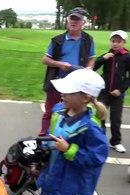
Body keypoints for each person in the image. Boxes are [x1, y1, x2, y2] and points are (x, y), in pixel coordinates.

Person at [36, 69, 109, 195]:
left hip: (70, 186)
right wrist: (42, 154)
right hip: (52, 178)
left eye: (69, 92)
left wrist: (69, 149)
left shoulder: (91, 127)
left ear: (85, 97)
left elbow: (96, 157)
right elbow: (52, 136)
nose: (63, 94)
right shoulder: (60, 111)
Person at [39, 7, 95, 136]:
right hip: (57, 81)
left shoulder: (88, 40)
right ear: (67, 20)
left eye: (77, 19)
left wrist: (89, 69)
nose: (73, 21)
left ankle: (66, 136)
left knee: (73, 111)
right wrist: (59, 64)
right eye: (71, 18)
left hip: (77, 85)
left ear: (83, 22)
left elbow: (91, 59)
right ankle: (44, 137)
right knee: (50, 111)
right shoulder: (57, 40)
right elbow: (45, 59)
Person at [93, 30, 130, 153]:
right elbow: (93, 67)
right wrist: (103, 58)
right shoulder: (107, 56)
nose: (115, 44)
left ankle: (116, 142)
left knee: (116, 118)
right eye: (113, 41)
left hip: (118, 94)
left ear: (124, 42)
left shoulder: (127, 57)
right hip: (104, 92)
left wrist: (120, 90)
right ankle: (100, 139)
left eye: (119, 42)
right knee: (100, 116)